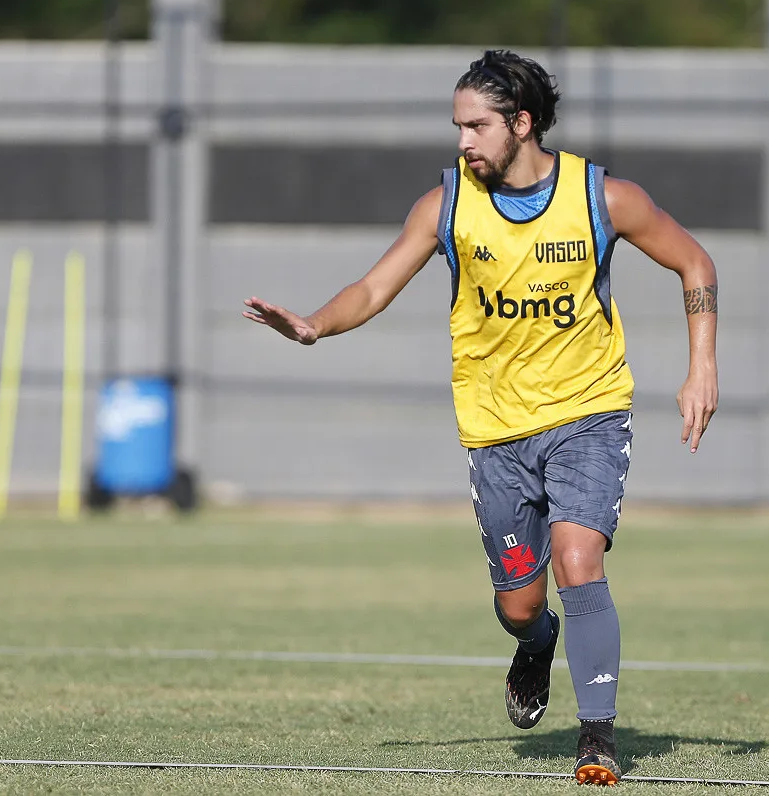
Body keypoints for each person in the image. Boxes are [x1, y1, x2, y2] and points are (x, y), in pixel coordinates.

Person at [243, 49, 719, 785]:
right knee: (519, 603)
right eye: (457, 126)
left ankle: (596, 740)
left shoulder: (603, 197)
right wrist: (314, 326)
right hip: (495, 429)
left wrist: (702, 366)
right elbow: (371, 289)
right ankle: (536, 645)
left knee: (577, 559)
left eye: (476, 125)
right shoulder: (446, 206)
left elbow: (695, 263)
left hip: (588, 413)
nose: (463, 141)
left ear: (521, 123)